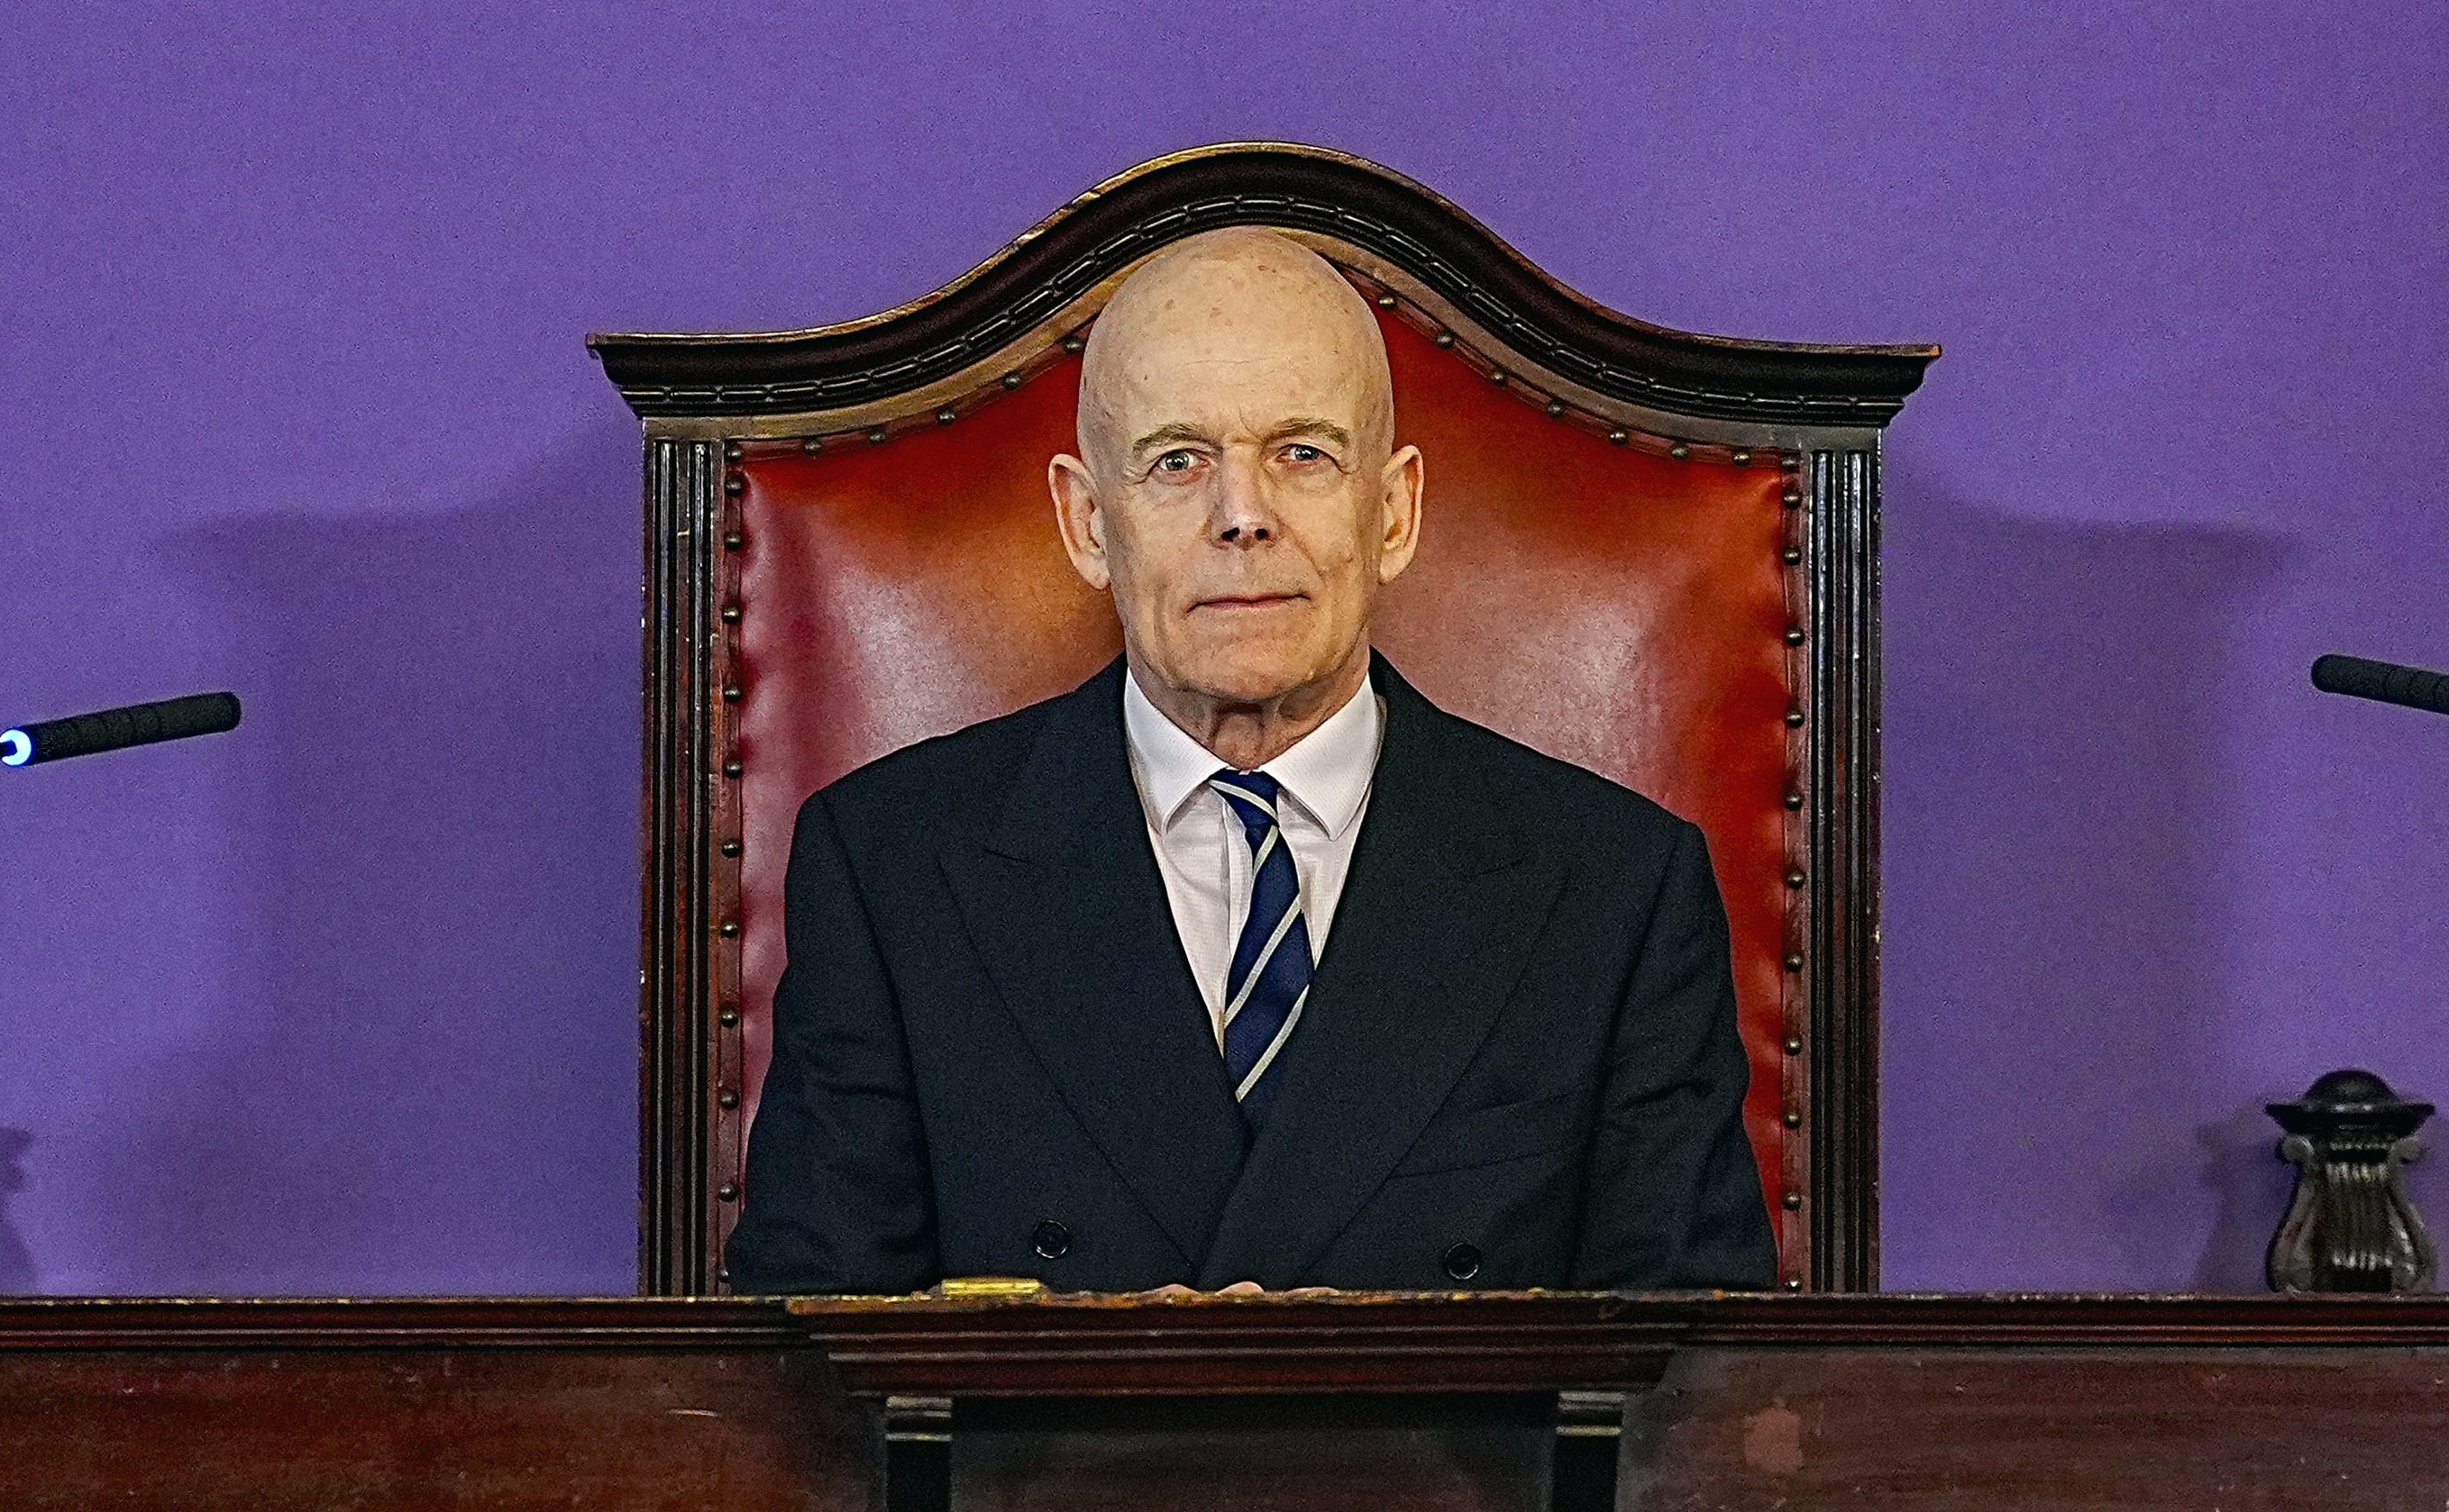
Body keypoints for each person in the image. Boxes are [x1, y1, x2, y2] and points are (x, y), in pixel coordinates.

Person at [721, 226, 1778, 1293]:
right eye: (1176, 460)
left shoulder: (1616, 890)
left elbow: (1692, 1363)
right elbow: (810, 1350)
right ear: (1087, 522)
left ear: (1393, 511)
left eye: (1302, 453)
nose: (1241, 515)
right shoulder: (891, 868)